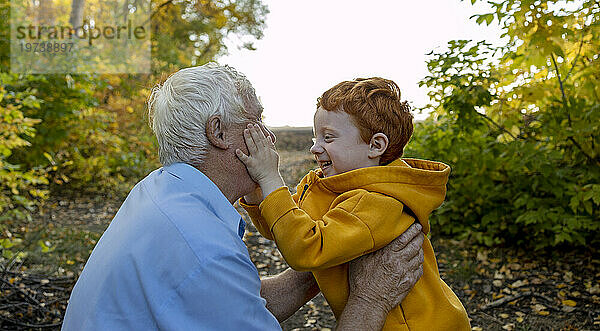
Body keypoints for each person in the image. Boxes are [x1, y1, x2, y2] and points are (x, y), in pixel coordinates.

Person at [62, 64, 425, 330]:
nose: (271, 137)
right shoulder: (203, 248)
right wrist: (370, 300)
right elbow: (211, 279)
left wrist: (330, 259)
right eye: (257, 122)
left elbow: (226, 302)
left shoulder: (160, 192)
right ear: (218, 132)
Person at [236, 77, 471, 330]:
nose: (315, 148)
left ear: (376, 145)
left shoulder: (377, 202)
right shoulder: (335, 188)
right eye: (316, 137)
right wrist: (258, 190)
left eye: (328, 137)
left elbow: (305, 248)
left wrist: (272, 178)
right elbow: (283, 227)